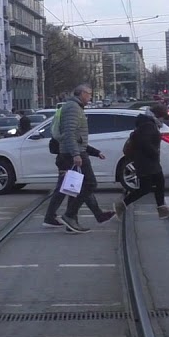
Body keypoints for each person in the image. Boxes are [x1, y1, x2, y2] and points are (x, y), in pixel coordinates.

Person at [55, 84, 115, 233]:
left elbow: (77, 135)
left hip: (76, 151)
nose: (90, 97)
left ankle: (77, 220)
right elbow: (69, 133)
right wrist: (76, 154)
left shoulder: (76, 107)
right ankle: (69, 215)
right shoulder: (73, 108)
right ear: (81, 93)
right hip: (74, 153)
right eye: (89, 94)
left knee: (78, 188)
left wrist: (92, 151)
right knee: (90, 184)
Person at [116, 105, 169, 218]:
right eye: (163, 117)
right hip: (146, 160)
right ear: (158, 116)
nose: (163, 120)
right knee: (147, 187)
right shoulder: (148, 125)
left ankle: (161, 208)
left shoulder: (148, 123)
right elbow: (145, 143)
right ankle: (122, 204)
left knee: (155, 184)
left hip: (146, 160)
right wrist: (154, 153)